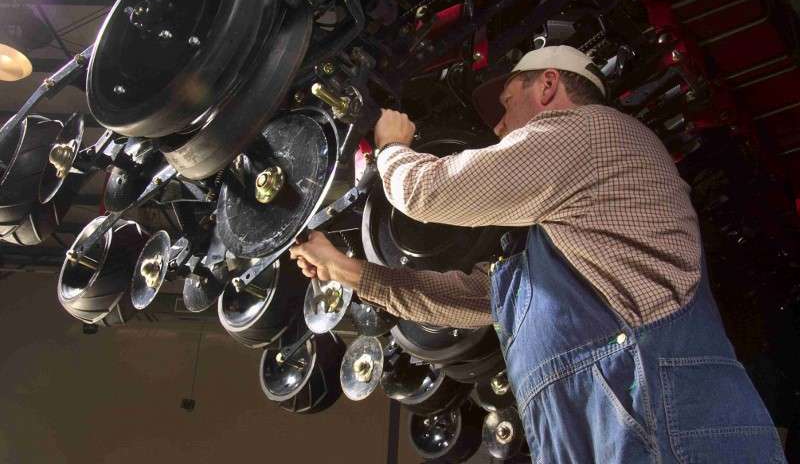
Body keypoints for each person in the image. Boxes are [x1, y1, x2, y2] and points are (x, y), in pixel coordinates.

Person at [290, 46, 786, 463]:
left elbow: (429, 193)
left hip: (657, 407)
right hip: (598, 422)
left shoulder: (590, 130)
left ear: (548, 87)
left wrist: (392, 147)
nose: (502, 126)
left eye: (508, 104)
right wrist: (350, 272)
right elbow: (476, 298)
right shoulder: (561, 233)